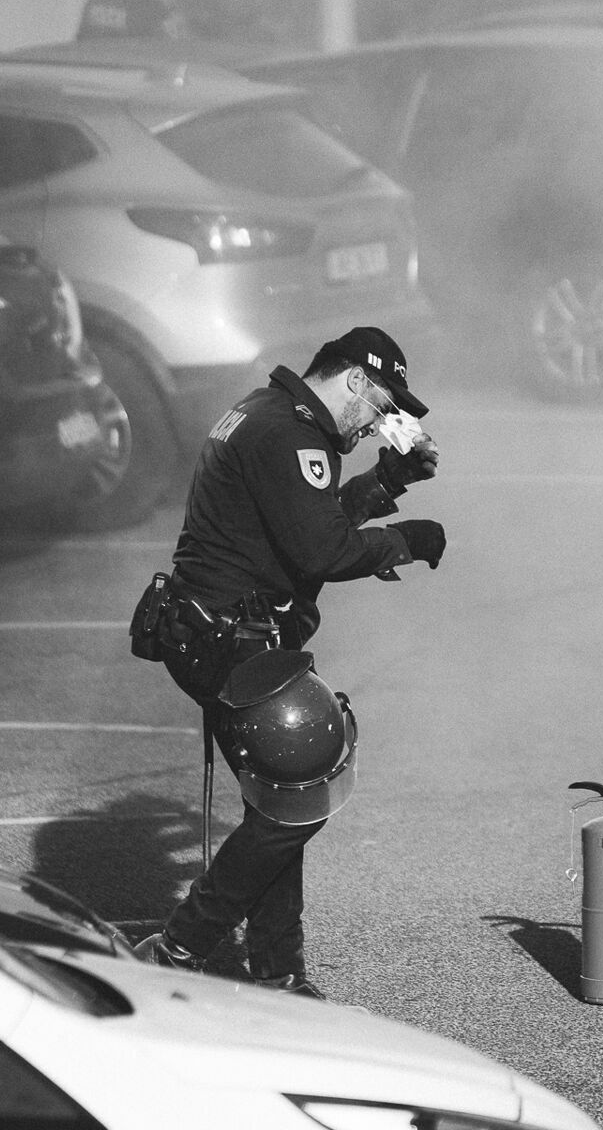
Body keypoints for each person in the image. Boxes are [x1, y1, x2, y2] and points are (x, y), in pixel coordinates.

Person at [132, 327, 444, 998]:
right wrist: (406, 542)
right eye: (382, 404)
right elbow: (320, 552)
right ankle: (181, 947)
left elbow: (309, 518)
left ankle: (277, 970)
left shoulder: (269, 413)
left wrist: (388, 478)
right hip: (228, 638)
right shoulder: (293, 433)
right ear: (355, 379)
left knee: (284, 798)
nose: (378, 424)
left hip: (213, 631)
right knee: (296, 791)